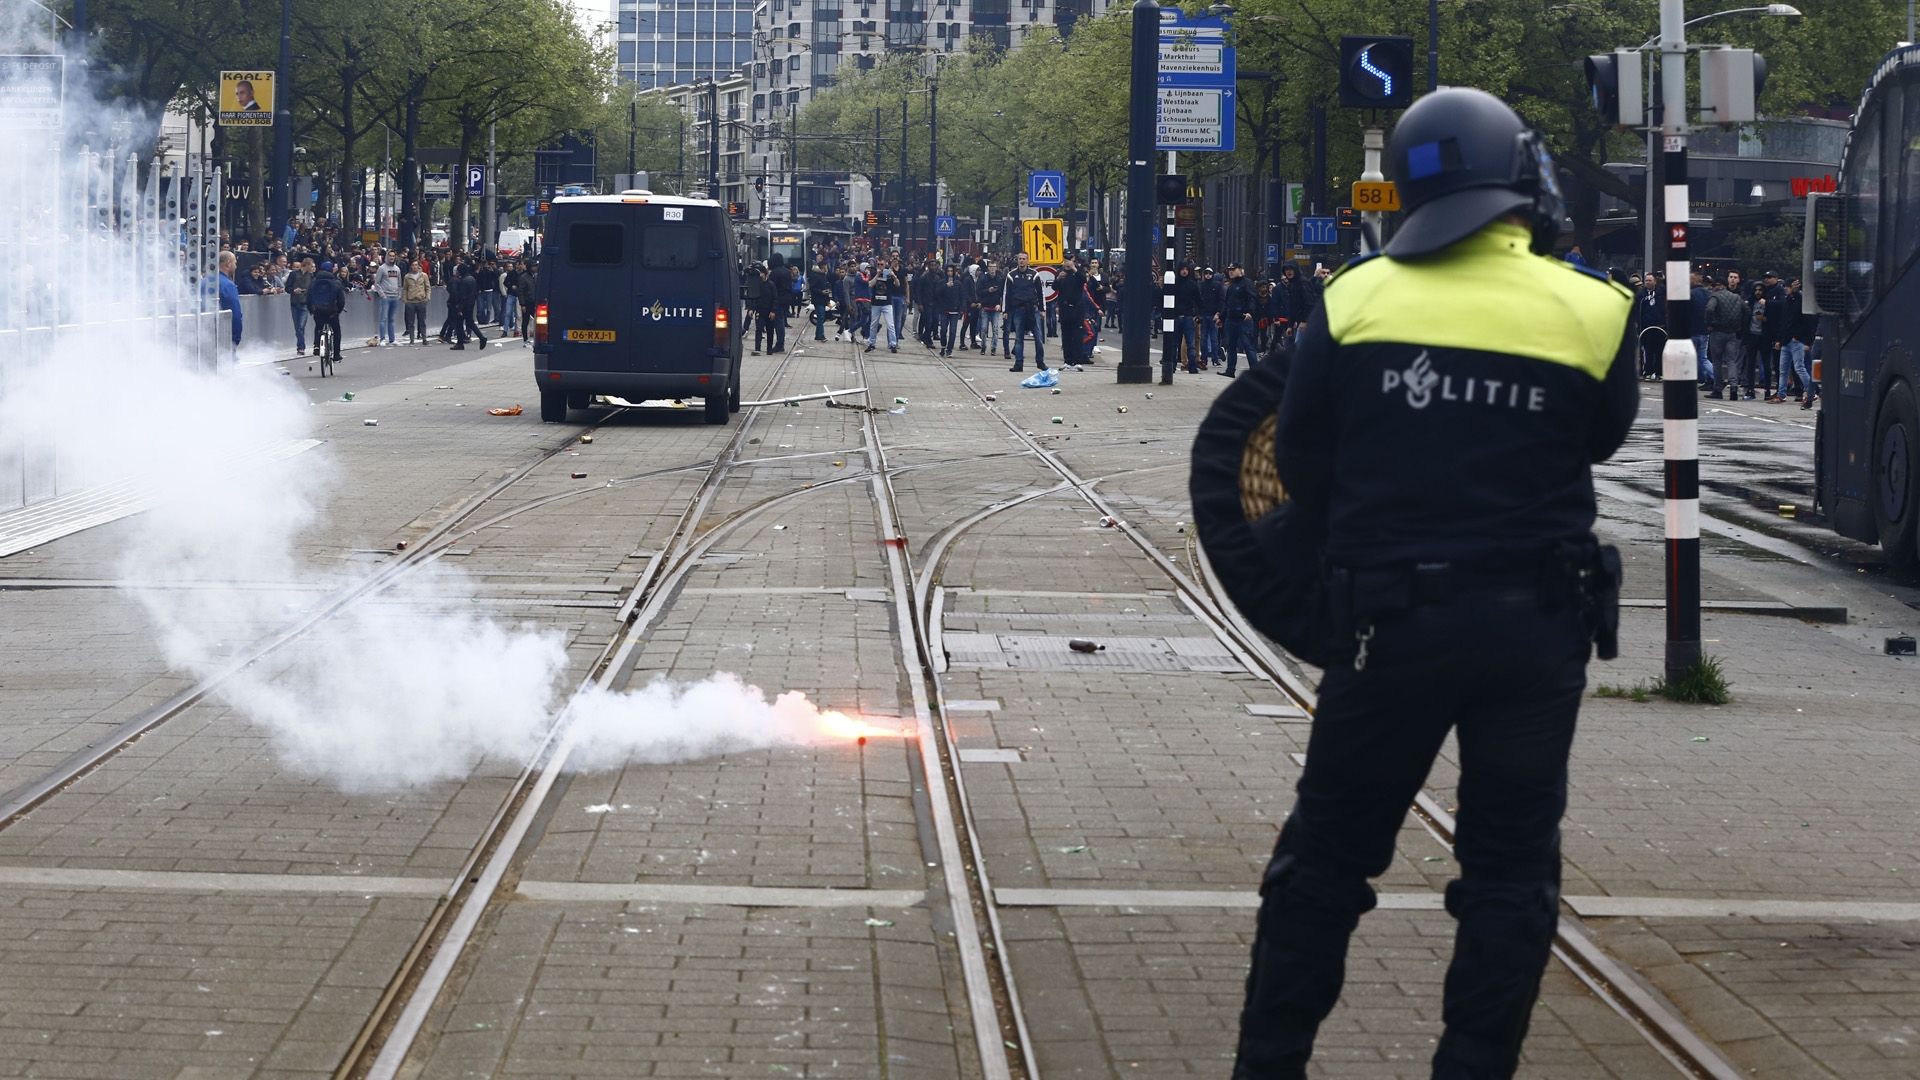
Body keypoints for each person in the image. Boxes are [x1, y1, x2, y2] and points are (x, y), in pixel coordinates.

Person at [1237, 87, 1636, 1080]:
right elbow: (1603, 437)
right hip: (1536, 633)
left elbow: (1301, 456)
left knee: (1324, 861)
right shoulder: (1595, 309)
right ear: (1518, 180)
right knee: (1510, 872)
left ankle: (1271, 1063)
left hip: (1385, 625)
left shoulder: (1354, 300)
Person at [1004, 251, 1046, 372]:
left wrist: (1042, 309)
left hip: (1033, 310)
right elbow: (1007, 294)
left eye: (1024, 259)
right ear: (1017, 260)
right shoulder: (1011, 275)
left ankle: (1040, 362)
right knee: (1019, 338)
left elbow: (1040, 292)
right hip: (1018, 310)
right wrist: (1005, 310)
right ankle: (1018, 363)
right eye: (1020, 259)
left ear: (1028, 261)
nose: (1021, 261)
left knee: (1038, 337)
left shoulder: (1034, 275)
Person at [1220, 263, 1258, 377]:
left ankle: (1255, 372)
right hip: (1231, 319)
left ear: (1241, 270)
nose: (1230, 272)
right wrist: (1221, 317)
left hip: (1243, 319)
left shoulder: (1247, 283)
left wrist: (1250, 312)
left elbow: (1252, 298)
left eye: (1233, 269)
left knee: (1247, 345)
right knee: (1231, 346)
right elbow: (1227, 304)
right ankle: (1230, 370)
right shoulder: (1232, 286)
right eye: (1229, 270)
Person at [306, 261, 346, 365]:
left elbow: (308, 297)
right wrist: (338, 310)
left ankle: (316, 346)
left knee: (318, 327)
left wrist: (311, 310)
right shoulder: (336, 282)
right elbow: (341, 300)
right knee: (336, 331)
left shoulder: (314, 281)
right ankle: (336, 355)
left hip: (318, 311)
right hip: (332, 312)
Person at [867, 263, 899, 353]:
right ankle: (871, 343)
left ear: (885, 265)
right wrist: (877, 274)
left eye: (882, 264)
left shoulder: (888, 274)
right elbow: (870, 284)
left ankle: (893, 344)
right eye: (879, 264)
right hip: (876, 303)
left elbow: (898, 284)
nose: (880, 266)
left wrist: (894, 276)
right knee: (873, 324)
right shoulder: (874, 273)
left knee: (890, 324)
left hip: (887, 303)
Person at [285, 256, 313, 355]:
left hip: (304, 304)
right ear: (307, 265)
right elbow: (287, 288)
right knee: (297, 327)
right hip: (295, 303)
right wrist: (293, 290)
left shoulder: (311, 276)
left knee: (301, 326)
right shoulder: (293, 274)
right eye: (311, 266)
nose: (312, 268)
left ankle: (301, 347)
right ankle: (300, 345)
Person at [217, 250, 242, 358]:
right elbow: (235, 315)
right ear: (228, 263)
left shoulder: (204, 281)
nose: (236, 266)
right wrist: (236, 339)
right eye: (235, 263)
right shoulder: (228, 285)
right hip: (224, 337)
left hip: (205, 335)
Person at [373, 254, 403, 346]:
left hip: (395, 297)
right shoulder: (382, 268)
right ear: (386, 257)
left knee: (392, 319)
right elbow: (377, 283)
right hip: (386, 297)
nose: (392, 258)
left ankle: (392, 339)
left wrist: (399, 294)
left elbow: (399, 283)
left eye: (393, 256)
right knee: (383, 318)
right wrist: (382, 295)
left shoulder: (397, 269)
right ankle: (382, 339)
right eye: (390, 256)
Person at [402, 259, 432, 345]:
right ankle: (412, 340)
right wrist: (405, 300)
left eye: (416, 265)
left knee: (422, 321)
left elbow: (427, 287)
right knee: (410, 322)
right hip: (411, 301)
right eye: (413, 265)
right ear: (411, 266)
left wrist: (427, 297)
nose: (414, 267)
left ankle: (424, 338)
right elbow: (405, 289)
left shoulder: (424, 276)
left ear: (419, 266)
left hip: (421, 300)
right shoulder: (407, 277)